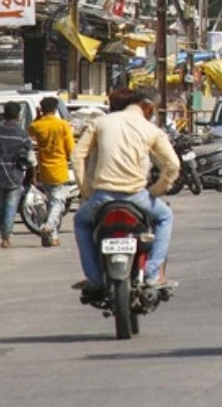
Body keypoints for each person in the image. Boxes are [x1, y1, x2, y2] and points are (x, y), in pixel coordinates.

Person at [72, 90, 178, 294]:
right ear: (149, 108)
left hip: (102, 196)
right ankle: (152, 273)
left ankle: (93, 277)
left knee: (81, 221)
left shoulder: (101, 123)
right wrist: (156, 191)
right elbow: (172, 165)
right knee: (165, 217)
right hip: (137, 196)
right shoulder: (151, 129)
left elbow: (78, 156)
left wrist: (86, 191)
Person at [28, 96, 75, 247]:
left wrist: (38, 115)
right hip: (59, 169)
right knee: (59, 204)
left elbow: (31, 130)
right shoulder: (62, 125)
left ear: (42, 109)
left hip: (44, 170)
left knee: (51, 202)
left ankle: (53, 237)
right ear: (55, 109)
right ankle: (48, 226)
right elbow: (71, 149)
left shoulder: (37, 126)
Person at [0, 102, 34, 249]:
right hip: (15, 175)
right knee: (10, 207)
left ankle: (3, 230)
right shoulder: (22, 134)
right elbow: (29, 157)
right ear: (18, 115)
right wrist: (31, 175)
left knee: (0, 206)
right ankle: (6, 237)